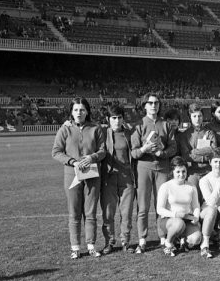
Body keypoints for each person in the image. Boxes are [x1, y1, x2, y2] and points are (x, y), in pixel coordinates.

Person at [52, 97, 106, 259]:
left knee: (90, 213)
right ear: (71, 112)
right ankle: (75, 247)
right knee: (74, 213)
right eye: (76, 110)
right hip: (72, 175)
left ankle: (91, 245)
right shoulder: (65, 129)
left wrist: (93, 157)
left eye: (82, 109)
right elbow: (56, 152)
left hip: (92, 174)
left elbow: (103, 151)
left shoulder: (96, 128)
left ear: (87, 111)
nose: (79, 113)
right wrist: (73, 162)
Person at [131, 93, 178, 254]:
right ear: (144, 105)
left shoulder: (166, 125)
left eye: (156, 103)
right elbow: (134, 153)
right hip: (143, 168)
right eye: (150, 103)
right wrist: (144, 149)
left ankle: (163, 238)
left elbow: (173, 148)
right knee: (143, 207)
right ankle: (142, 240)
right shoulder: (138, 125)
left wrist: (161, 154)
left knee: (162, 205)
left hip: (162, 168)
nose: (153, 105)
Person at [100, 105, 136, 254]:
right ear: (108, 119)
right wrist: (68, 123)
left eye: (119, 117)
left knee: (126, 212)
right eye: (113, 118)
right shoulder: (102, 132)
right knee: (108, 213)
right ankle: (109, 242)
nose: (116, 120)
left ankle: (125, 242)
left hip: (127, 178)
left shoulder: (129, 133)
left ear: (123, 118)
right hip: (108, 177)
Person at [156, 156, 202, 256]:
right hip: (170, 220)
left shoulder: (191, 186)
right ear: (172, 171)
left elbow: (196, 206)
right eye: (178, 172)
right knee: (179, 224)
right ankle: (168, 243)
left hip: (187, 219)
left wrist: (196, 217)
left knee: (196, 239)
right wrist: (175, 214)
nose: (181, 174)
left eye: (183, 171)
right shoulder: (166, 186)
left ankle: (182, 238)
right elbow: (159, 209)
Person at [178, 103, 219, 204]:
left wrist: (195, 151)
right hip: (193, 173)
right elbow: (186, 155)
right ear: (190, 117)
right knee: (194, 202)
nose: (197, 118)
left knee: (211, 202)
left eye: (199, 116)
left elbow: (214, 150)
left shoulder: (209, 133)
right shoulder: (185, 135)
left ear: (203, 117)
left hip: (209, 171)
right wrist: (204, 155)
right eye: (194, 116)